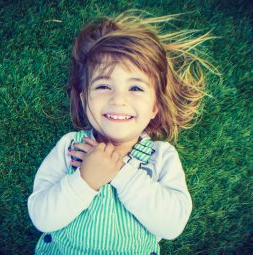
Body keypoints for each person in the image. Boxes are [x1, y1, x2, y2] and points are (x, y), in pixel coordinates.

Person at [28, 9, 217, 255]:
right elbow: (42, 218)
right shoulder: (70, 147)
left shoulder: (161, 156)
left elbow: (172, 226)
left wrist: (120, 173)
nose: (118, 100)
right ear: (84, 100)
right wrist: (85, 180)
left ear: (154, 107)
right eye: (104, 85)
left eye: (136, 88)